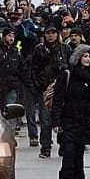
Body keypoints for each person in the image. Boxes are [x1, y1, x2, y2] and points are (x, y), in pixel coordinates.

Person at [50, 43, 90, 179]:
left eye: (89, 56)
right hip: (68, 121)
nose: (87, 59)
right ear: (77, 57)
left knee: (79, 158)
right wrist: (56, 121)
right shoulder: (67, 75)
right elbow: (58, 100)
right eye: (84, 56)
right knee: (69, 155)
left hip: (84, 122)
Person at [29, 24, 71, 158]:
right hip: (44, 89)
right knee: (45, 120)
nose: (51, 35)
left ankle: (63, 145)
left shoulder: (65, 49)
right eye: (48, 33)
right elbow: (34, 69)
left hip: (62, 89)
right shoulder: (39, 49)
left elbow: (70, 67)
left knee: (62, 118)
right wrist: (38, 85)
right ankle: (45, 147)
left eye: (53, 33)